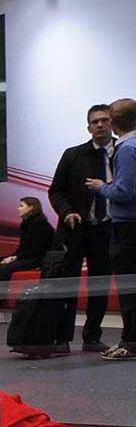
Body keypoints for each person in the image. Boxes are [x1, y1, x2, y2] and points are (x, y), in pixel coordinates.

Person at [48, 105, 118, 350]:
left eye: (104, 120)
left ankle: (92, 337)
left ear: (112, 123)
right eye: (95, 122)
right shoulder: (73, 155)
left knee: (99, 285)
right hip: (75, 229)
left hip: (108, 230)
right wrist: (67, 212)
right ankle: (62, 339)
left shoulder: (125, 153)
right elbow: (56, 191)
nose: (100, 125)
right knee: (68, 284)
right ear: (88, 128)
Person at [88, 98, 136, 360]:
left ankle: (131, 343)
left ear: (114, 122)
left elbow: (123, 192)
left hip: (127, 228)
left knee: (129, 289)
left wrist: (101, 187)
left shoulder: (126, 149)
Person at [0, 197, 56, 284]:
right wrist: (12, 257)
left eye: (21, 206)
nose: (18, 208)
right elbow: (22, 247)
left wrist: (15, 258)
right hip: (27, 257)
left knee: (1, 269)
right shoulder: (25, 224)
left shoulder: (41, 224)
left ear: (31, 207)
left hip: (38, 259)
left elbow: (37, 249)